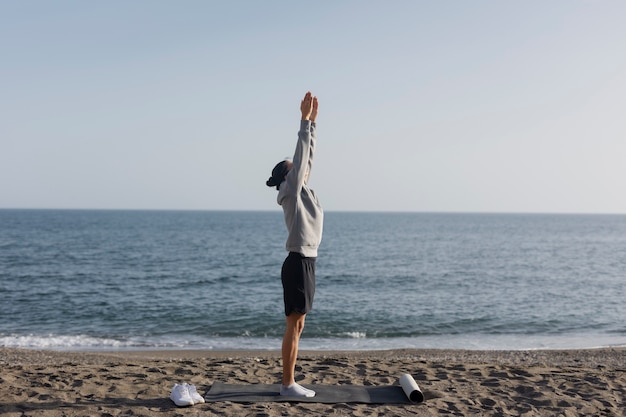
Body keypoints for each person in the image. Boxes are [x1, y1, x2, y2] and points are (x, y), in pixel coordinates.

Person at [266, 91, 323, 397]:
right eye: (295, 168)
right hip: (298, 262)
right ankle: (287, 384)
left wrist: (313, 125)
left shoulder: (300, 192)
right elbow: (302, 160)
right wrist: (303, 122)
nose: (302, 170)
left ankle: (289, 382)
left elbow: (306, 159)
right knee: (293, 325)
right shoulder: (289, 191)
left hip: (306, 262)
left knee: (298, 326)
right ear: (287, 177)